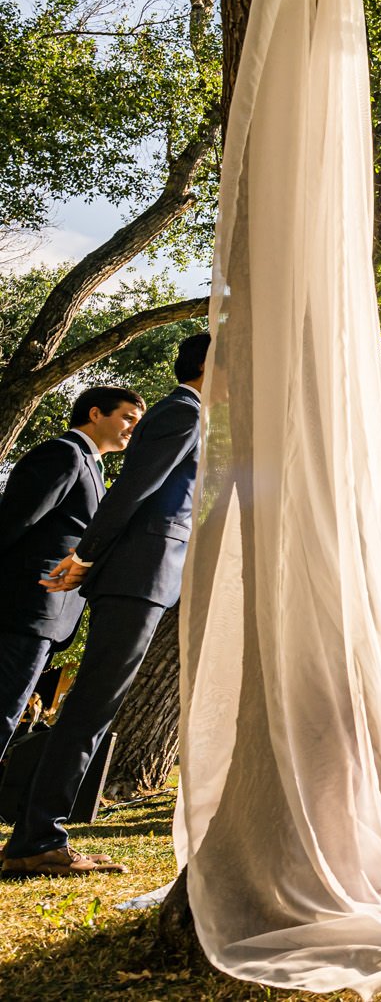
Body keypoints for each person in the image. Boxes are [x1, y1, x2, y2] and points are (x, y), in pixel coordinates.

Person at [3, 333, 206, 878]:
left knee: (92, 707)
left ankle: (34, 833)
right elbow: (135, 490)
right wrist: (86, 556)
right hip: (138, 576)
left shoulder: (188, 416)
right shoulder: (182, 413)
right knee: (91, 707)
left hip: (143, 578)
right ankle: (38, 838)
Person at [1, 385, 144, 753]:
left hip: (48, 618)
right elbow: (14, 521)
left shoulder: (93, 467)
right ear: (96, 414)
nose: (133, 427)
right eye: (127, 417)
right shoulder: (63, 455)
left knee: (10, 708)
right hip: (25, 607)